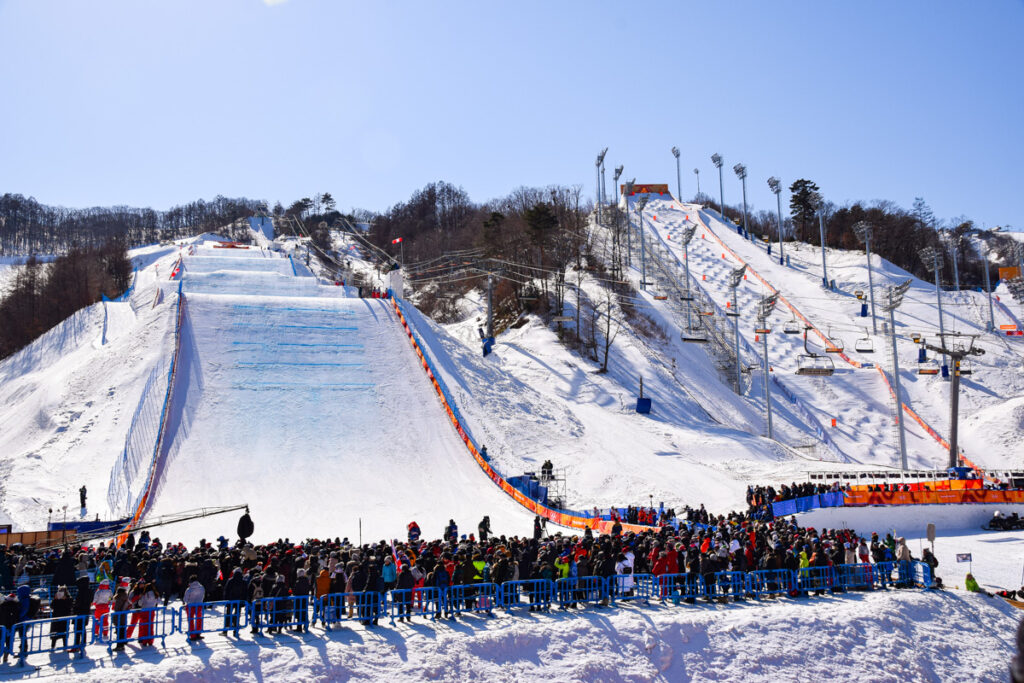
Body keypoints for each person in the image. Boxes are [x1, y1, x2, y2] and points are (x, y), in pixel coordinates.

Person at [183, 574, 206, 640]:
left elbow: (185, 599)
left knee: (191, 620)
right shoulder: (201, 587)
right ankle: (198, 633)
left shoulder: (189, 589)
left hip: (190, 606)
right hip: (199, 605)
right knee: (199, 619)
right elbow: (203, 596)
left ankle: (192, 635)